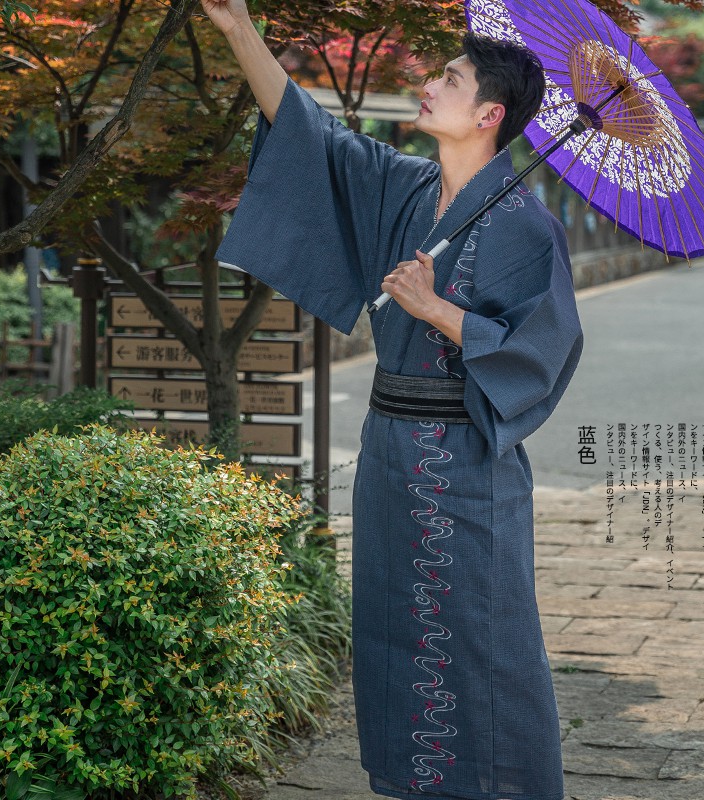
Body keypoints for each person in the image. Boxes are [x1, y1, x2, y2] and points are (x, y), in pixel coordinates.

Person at [203, 1, 583, 798]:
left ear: (489, 113)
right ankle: (414, 785)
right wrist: (239, 26)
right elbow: (313, 137)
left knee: (489, 641)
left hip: (470, 471)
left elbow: (544, 354)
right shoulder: (405, 189)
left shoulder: (528, 228)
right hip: (390, 456)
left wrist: (438, 310)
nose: (427, 83)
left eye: (448, 77)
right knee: (393, 633)